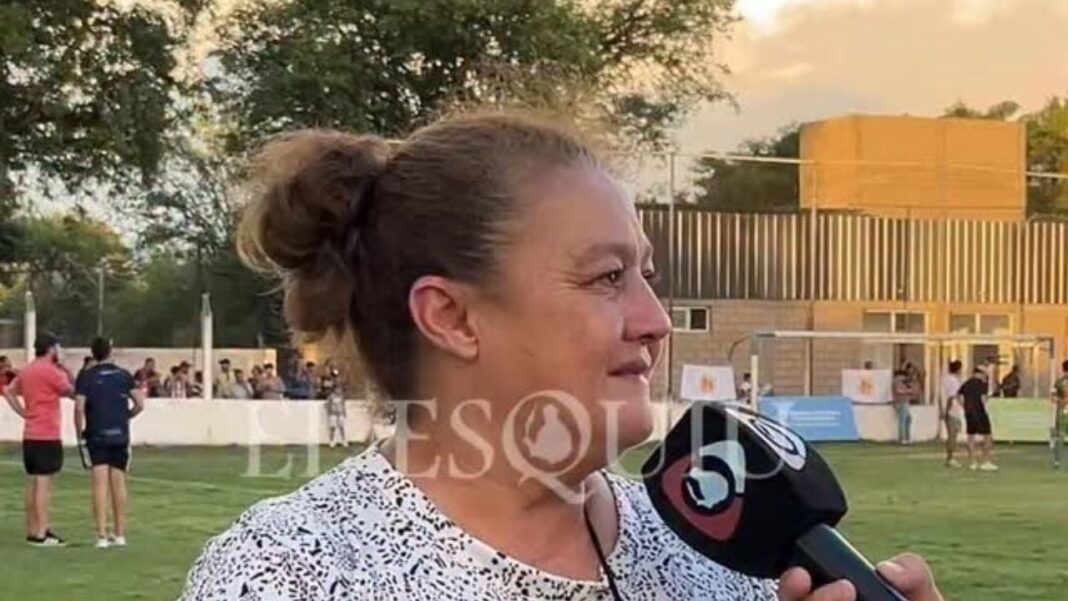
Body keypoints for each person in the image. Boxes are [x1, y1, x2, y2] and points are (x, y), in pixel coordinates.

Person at [180, 116, 941, 601]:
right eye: (607, 278)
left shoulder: (727, 555)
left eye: (647, 275)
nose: (654, 322)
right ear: (452, 317)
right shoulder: (288, 574)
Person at [2, 332, 75, 547]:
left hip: (31, 433)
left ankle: (32, 528)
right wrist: (66, 368)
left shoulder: (28, 370)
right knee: (44, 483)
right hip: (47, 434)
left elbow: (9, 391)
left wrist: (23, 412)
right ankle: (42, 533)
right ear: (52, 349)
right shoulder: (52, 372)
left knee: (33, 481)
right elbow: (73, 391)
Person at [74, 337, 146, 548]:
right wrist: (127, 416)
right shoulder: (123, 375)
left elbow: (79, 407)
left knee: (99, 484)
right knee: (119, 482)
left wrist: (79, 432)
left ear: (93, 353)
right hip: (119, 434)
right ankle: (120, 534)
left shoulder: (86, 377)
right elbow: (140, 403)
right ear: (110, 351)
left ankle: (101, 535)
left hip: (97, 433)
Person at [959, 367, 997, 471]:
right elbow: (983, 399)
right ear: (980, 374)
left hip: (969, 413)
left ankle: (973, 462)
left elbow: (959, 396)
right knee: (987, 435)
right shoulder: (981, 384)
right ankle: (986, 461)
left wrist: (964, 406)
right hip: (979, 412)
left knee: (971, 436)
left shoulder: (966, 383)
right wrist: (988, 399)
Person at [939, 360, 964, 467]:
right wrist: (947, 410)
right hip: (952, 411)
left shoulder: (945, 379)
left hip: (950, 410)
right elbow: (952, 397)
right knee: (953, 435)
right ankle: (951, 457)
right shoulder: (954, 381)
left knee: (952, 434)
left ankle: (950, 457)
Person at [1052, 360, 1068, 468]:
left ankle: (1057, 460)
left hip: (1062, 411)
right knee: (1060, 436)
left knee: (1060, 436)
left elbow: (1053, 397)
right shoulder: (1059, 382)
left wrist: (1060, 401)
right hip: (1063, 411)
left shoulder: (1058, 382)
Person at [891, 369, 914, 445]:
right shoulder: (897, 381)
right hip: (900, 402)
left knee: (908, 419)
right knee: (903, 420)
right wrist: (907, 391)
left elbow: (910, 388)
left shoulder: (903, 382)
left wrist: (909, 389)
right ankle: (903, 438)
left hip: (904, 401)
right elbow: (898, 390)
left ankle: (907, 437)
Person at [324, 379, 348, 448]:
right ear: (334, 390)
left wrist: (344, 412)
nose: (339, 390)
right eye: (337, 389)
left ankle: (344, 440)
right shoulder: (331, 397)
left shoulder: (342, 396)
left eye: (340, 389)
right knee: (333, 427)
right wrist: (329, 410)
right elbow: (326, 404)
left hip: (340, 413)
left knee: (341, 427)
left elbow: (343, 405)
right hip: (333, 414)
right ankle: (331, 441)